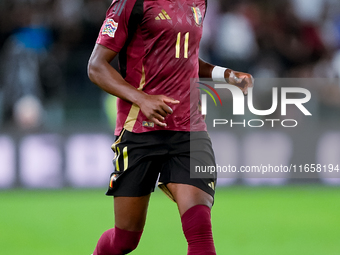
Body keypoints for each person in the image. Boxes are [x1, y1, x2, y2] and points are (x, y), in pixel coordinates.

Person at [87, 0, 253, 254]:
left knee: (200, 236)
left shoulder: (199, 2)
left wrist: (225, 75)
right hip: (139, 131)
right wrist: (142, 99)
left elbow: (185, 56)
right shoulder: (131, 3)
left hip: (189, 130)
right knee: (125, 240)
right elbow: (96, 66)